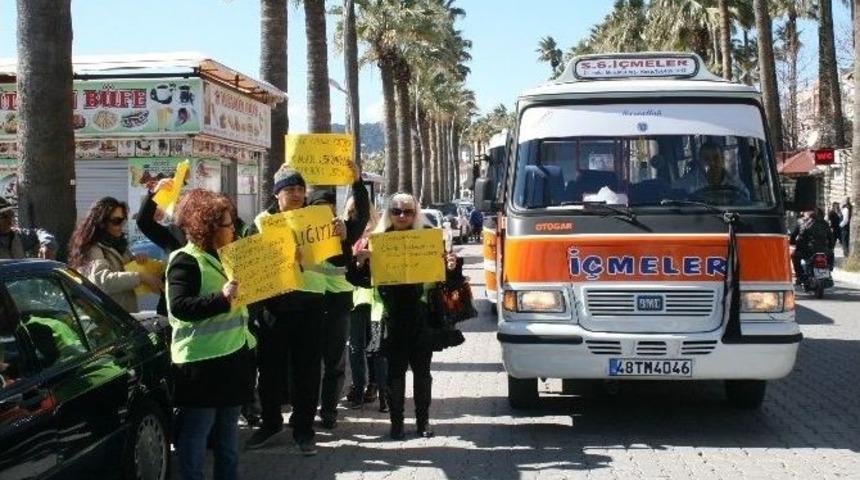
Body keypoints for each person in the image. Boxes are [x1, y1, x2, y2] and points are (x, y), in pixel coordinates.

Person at [166, 189, 257, 480]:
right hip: (200, 365)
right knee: (195, 435)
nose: (234, 230)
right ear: (208, 228)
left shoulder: (232, 256)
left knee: (228, 437)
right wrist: (221, 298)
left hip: (233, 358)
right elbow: (180, 307)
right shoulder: (185, 260)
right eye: (228, 225)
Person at [353, 193, 459, 440]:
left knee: (422, 374)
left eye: (407, 212)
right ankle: (397, 425)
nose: (402, 216)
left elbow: (447, 279)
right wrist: (361, 263)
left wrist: (452, 266)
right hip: (390, 318)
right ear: (388, 213)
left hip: (421, 316)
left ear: (415, 213)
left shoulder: (428, 237)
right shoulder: (377, 241)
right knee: (394, 375)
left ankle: (423, 423)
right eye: (396, 211)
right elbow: (359, 280)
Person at [245, 167, 325, 456]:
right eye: (290, 189)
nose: (296, 194)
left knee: (308, 373)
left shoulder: (317, 221)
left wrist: (341, 232)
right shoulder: (261, 222)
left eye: (300, 189)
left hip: (310, 306)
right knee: (269, 373)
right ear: (276, 194)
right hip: (273, 309)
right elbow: (249, 263)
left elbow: (339, 253)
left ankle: (303, 430)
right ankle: (270, 423)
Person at [307, 174, 370, 430]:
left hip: (338, 306)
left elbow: (363, 213)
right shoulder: (303, 233)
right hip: (309, 305)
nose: (324, 215)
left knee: (334, 362)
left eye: (329, 210)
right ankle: (307, 411)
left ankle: (329, 411)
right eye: (317, 210)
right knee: (309, 364)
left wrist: (357, 181)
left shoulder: (345, 229)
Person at [69, 197, 162, 313]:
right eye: (116, 221)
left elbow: (124, 269)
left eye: (123, 221)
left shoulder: (119, 245)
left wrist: (136, 260)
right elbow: (103, 281)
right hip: (105, 320)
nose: (121, 225)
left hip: (122, 317)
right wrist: (140, 276)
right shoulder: (93, 248)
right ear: (102, 222)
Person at [345, 200, 385, 411]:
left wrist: (372, 257)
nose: (356, 215)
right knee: (355, 347)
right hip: (352, 300)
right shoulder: (346, 237)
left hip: (374, 300)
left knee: (374, 346)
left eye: (361, 211)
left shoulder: (380, 238)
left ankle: (374, 385)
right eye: (351, 211)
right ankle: (358, 387)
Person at [676, 142, 749, 201]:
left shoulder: (735, 184)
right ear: (700, 162)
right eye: (706, 159)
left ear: (722, 160)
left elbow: (747, 203)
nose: (712, 163)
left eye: (716, 158)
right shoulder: (686, 184)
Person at [790, 209, 832, 283]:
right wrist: (830, 247)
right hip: (823, 250)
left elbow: (797, 236)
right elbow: (831, 238)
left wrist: (793, 242)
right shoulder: (824, 223)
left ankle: (800, 276)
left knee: (794, 255)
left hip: (807, 251)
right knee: (830, 254)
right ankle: (829, 269)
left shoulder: (802, 222)